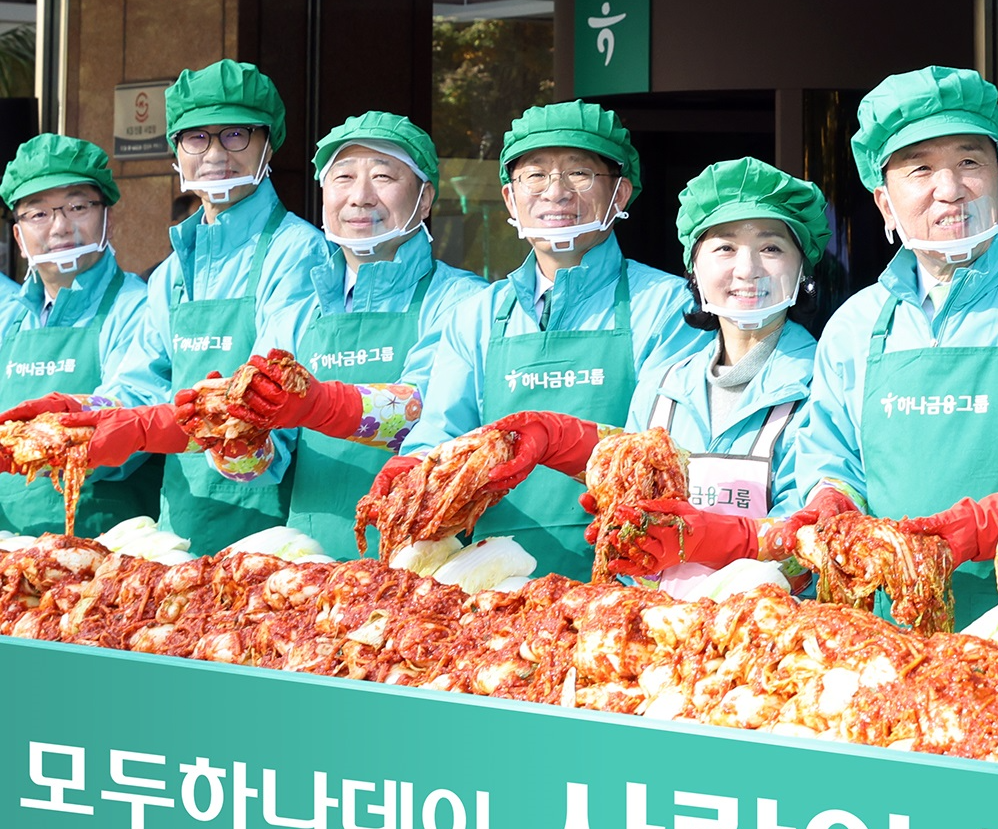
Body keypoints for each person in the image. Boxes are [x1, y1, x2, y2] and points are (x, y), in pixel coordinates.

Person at [760, 66, 998, 629]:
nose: (950, 189)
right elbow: (831, 456)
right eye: (920, 170)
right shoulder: (856, 325)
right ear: (885, 203)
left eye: (970, 162)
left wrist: (992, 520)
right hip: (895, 634)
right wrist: (830, 498)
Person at [13, 60, 324, 553]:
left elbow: (266, 397)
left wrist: (141, 427)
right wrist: (82, 414)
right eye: (196, 138)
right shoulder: (172, 273)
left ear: (269, 143)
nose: (216, 153)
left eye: (236, 134)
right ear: (177, 150)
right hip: (180, 523)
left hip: (275, 527)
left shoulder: (299, 252)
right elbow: (141, 385)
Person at [385, 101, 701, 581]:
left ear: (620, 194)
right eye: (535, 176)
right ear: (511, 200)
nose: (555, 192)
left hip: (626, 584)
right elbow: (443, 438)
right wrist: (416, 471)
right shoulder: (477, 316)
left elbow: (664, 457)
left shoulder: (667, 306)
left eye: (579, 173)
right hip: (487, 588)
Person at [487, 158, 826, 588]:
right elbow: (632, 490)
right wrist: (563, 444)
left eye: (772, 248)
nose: (747, 269)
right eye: (724, 247)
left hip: (773, 639)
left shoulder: (822, 384)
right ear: (694, 269)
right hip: (655, 636)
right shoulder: (665, 382)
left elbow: (818, 541)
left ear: (802, 269)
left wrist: (707, 539)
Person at [208, 113, 484, 557]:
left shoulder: (463, 302)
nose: (360, 197)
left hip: (427, 565)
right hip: (308, 568)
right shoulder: (295, 314)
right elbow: (263, 467)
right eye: (343, 177)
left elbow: (427, 414)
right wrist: (232, 434)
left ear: (425, 197)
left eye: (382, 176)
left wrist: (317, 404)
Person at [0, 134, 155, 536]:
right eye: (38, 214)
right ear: (19, 238)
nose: (61, 227)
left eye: (78, 206)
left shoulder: (138, 307)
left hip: (107, 554)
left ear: (108, 218)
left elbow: (131, 404)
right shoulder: (10, 318)